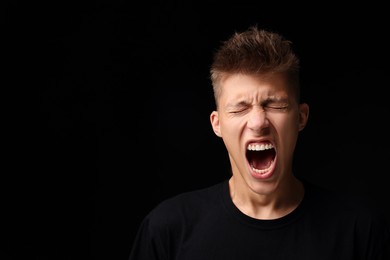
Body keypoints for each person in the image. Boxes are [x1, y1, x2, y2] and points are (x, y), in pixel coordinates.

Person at [128, 25, 390, 259]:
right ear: (216, 123)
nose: (258, 122)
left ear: (301, 117)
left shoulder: (358, 230)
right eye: (240, 108)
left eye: (274, 104)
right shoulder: (167, 231)